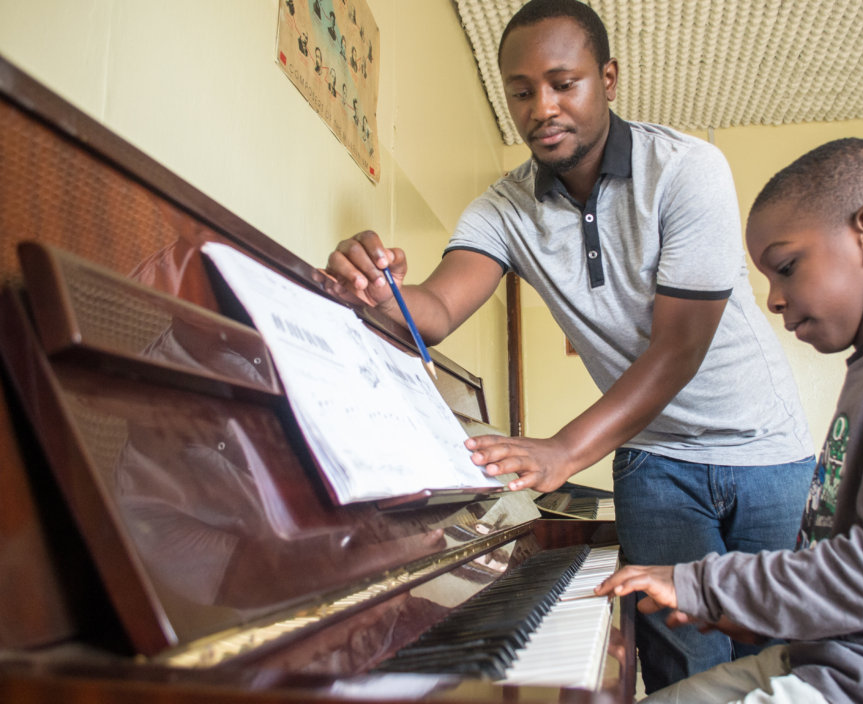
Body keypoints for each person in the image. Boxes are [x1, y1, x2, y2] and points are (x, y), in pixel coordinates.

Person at [318, 0, 813, 689]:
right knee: (684, 670)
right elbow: (433, 309)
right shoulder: (502, 208)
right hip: (657, 459)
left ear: (607, 79)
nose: (541, 107)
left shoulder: (688, 170)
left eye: (563, 83)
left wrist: (565, 450)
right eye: (521, 92)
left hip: (769, 451)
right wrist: (380, 295)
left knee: (778, 657)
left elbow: (678, 348)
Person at [596, 137, 863, 703]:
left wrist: (701, 584)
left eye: (787, 268)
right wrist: (752, 613)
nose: (774, 299)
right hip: (841, 655)